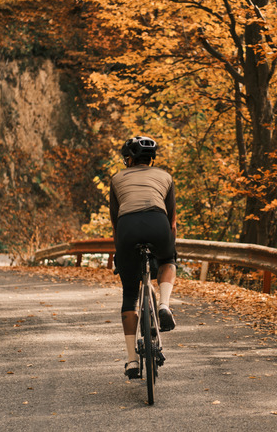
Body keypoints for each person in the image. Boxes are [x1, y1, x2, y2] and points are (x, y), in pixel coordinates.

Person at [109, 135, 177, 379]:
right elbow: (172, 221)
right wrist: (168, 248)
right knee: (168, 261)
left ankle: (131, 361)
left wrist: (121, 254)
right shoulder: (165, 177)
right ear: (151, 159)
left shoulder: (117, 178)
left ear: (129, 158)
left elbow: (115, 221)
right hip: (158, 224)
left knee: (129, 294)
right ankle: (164, 305)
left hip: (127, 228)